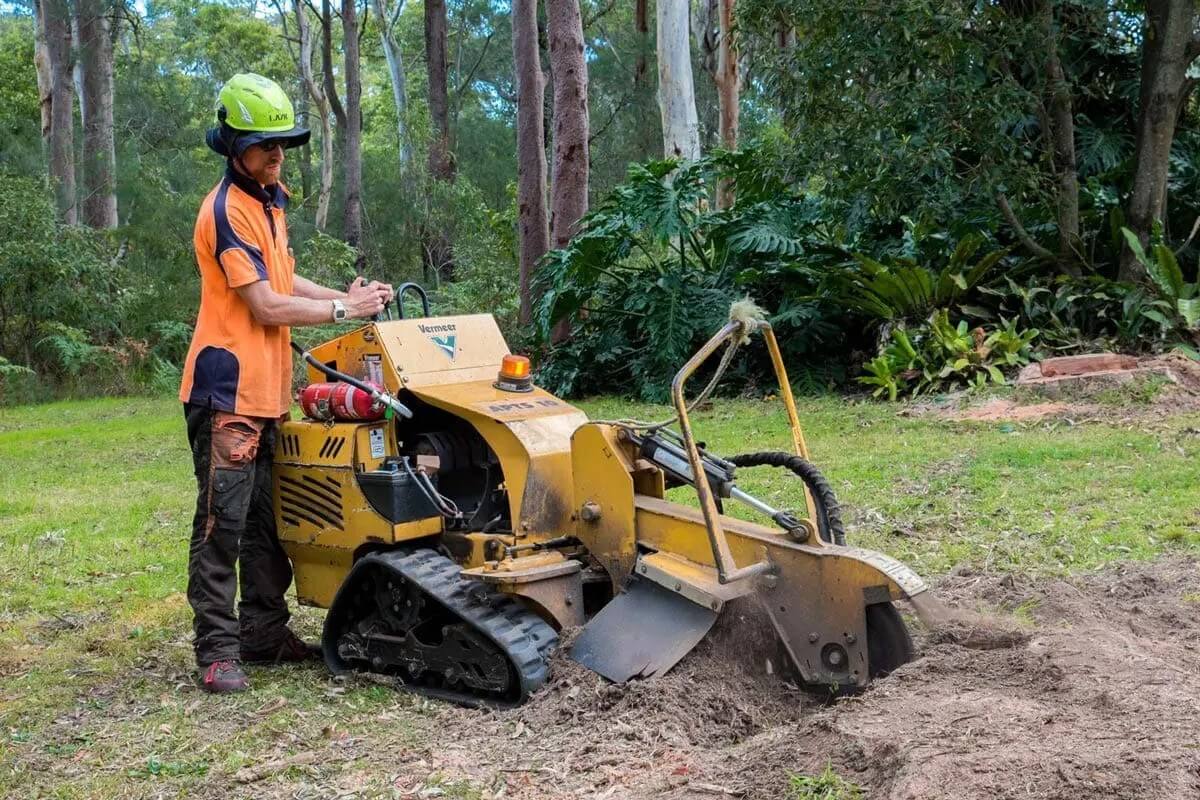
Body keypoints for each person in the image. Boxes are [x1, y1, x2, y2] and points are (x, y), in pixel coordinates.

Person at [178, 73, 392, 694]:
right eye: (263, 144)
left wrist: (348, 298)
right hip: (227, 398)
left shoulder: (271, 202)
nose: (276, 154)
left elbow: (287, 281)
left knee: (270, 523)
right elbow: (266, 306)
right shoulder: (225, 212)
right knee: (224, 524)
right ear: (232, 146)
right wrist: (343, 314)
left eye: (282, 144)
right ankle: (216, 652)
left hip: (268, 394)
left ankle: (264, 634)